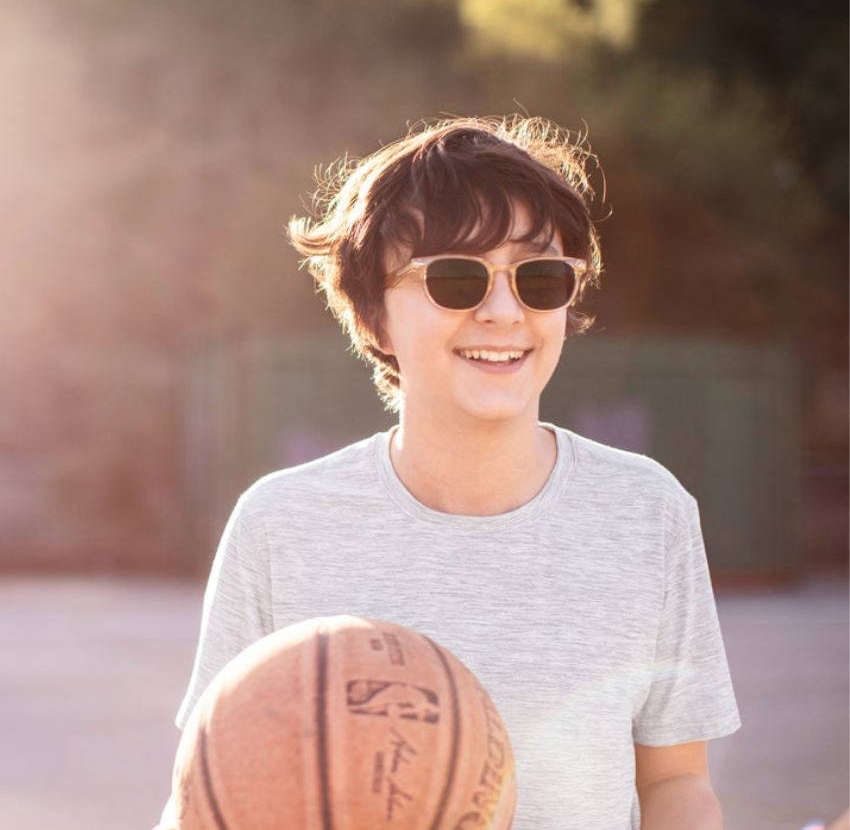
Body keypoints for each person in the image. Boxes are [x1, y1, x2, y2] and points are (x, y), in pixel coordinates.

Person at [163, 115, 740, 829]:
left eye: (541, 277)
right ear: (373, 317)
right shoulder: (280, 525)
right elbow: (212, 791)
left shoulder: (647, 512)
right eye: (456, 278)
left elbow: (676, 782)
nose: (504, 312)